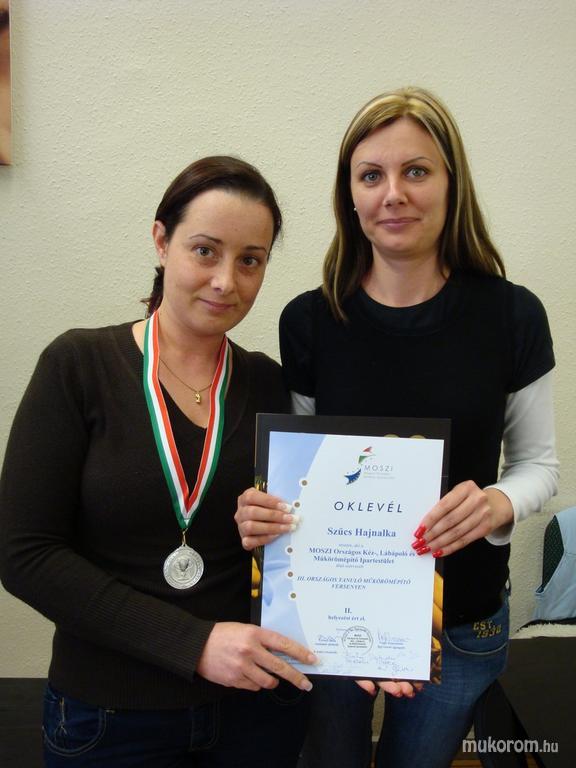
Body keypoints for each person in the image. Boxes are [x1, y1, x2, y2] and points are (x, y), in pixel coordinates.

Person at [235, 87, 559, 768]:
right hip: (330, 614)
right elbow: (300, 474)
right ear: (349, 196)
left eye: (416, 171)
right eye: (371, 175)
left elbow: (538, 466)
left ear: (451, 184)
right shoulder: (310, 320)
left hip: (464, 619)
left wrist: (496, 503)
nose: (393, 194)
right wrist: (267, 511)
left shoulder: (513, 316)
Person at [0, 156, 318, 768]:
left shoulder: (271, 386)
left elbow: (306, 545)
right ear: (161, 240)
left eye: (250, 260)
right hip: (109, 718)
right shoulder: (78, 366)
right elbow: (25, 555)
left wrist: (279, 527)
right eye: (205, 251)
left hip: (256, 710)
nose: (225, 280)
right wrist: (193, 644)